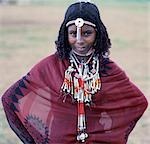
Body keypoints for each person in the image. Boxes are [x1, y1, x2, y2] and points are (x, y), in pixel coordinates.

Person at [1, 1, 148, 144]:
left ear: (98, 34)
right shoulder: (50, 66)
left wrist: (109, 133)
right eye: (73, 33)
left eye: (87, 33)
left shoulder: (108, 69)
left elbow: (138, 103)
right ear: (65, 35)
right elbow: (10, 99)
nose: (79, 40)